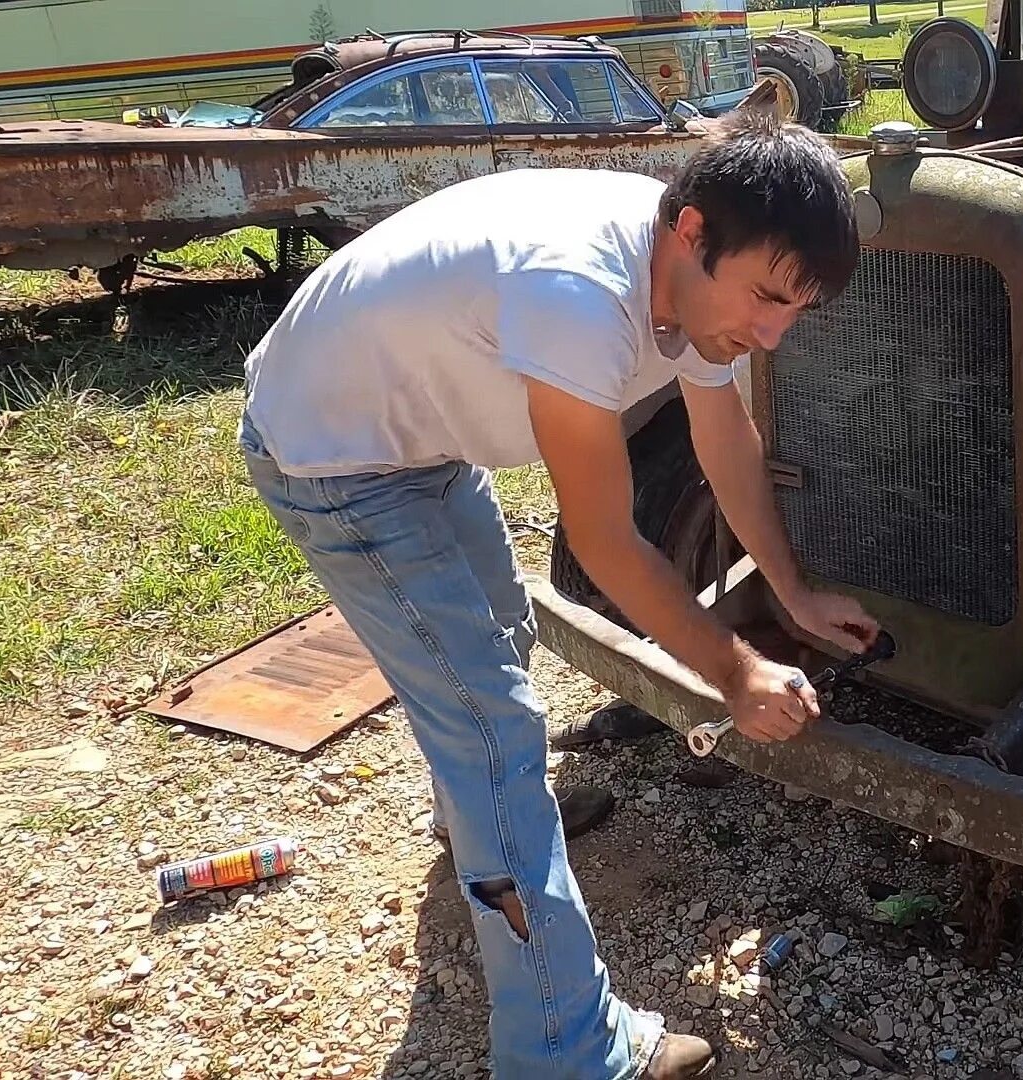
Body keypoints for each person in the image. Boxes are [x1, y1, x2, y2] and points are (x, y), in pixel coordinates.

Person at [235, 107, 879, 1079]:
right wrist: (737, 674)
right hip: (333, 451)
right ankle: (565, 1050)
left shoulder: (694, 275)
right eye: (765, 299)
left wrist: (787, 592)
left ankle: (481, 825)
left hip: (419, 434)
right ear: (693, 233)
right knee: (491, 726)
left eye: (796, 308)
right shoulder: (579, 291)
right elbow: (606, 543)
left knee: (496, 640)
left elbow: (723, 437)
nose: (773, 334)